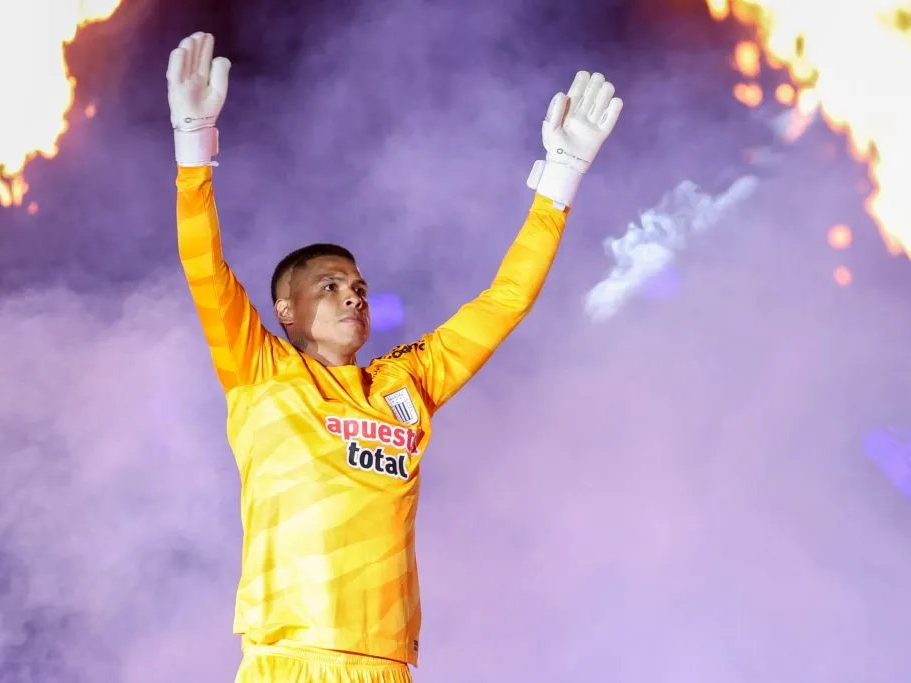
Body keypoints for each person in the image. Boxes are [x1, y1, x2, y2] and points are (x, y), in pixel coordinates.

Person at [167, 30, 622, 683]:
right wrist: (193, 140)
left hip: (386, 667)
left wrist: (561, 175)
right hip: (288, 660)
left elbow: (505, 301)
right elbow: (204, 265)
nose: (353, 295)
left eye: (357, 286)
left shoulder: (407, 380)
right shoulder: (259, 369)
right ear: (285, 310)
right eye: (329, 285)